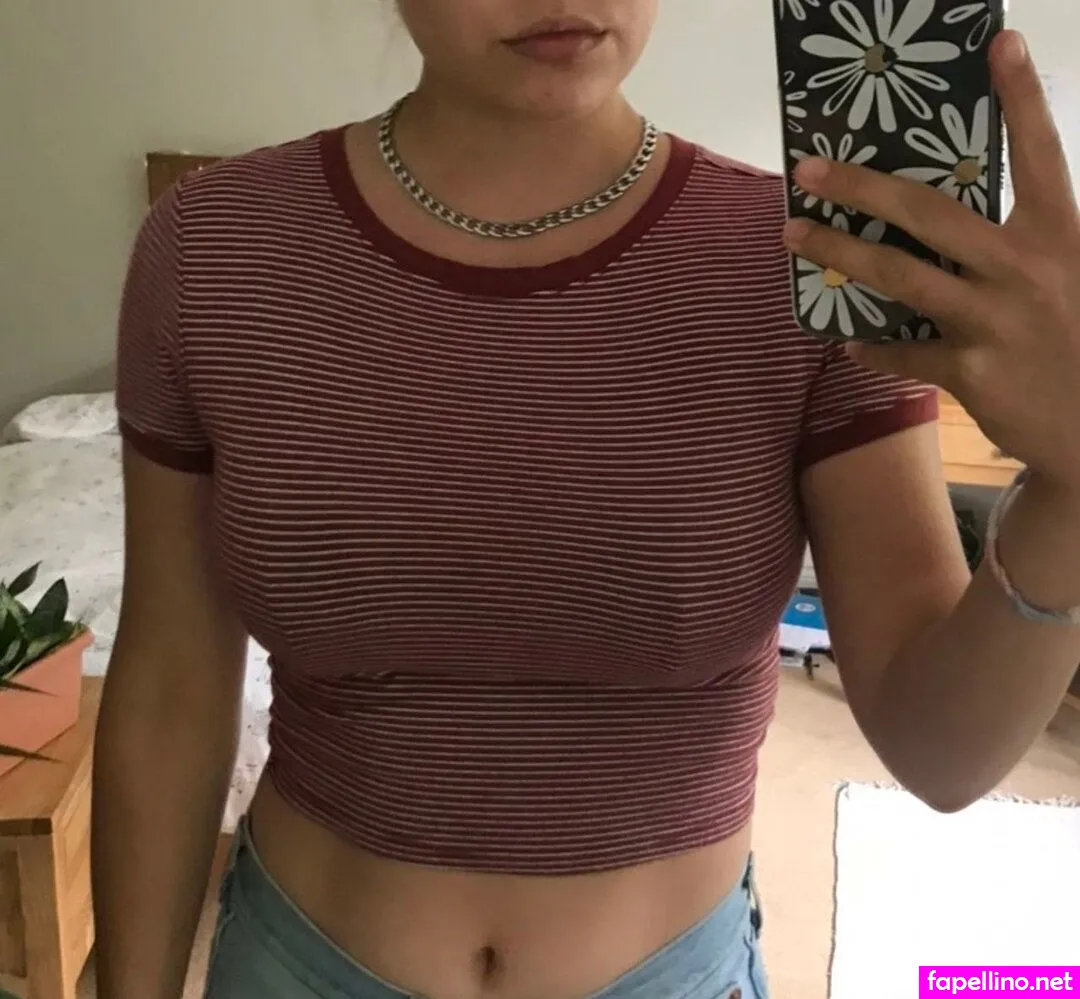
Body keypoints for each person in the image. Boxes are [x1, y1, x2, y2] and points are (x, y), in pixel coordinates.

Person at [90, 2, 1080, 997]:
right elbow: (172, 686)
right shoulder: (215, 249)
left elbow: (944, 753)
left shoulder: (807, 261)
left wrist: (1073, 484)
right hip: (296, 964)